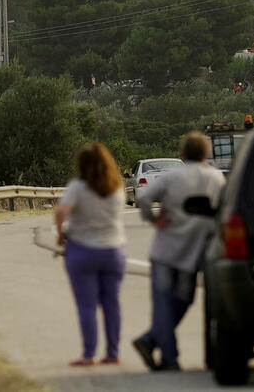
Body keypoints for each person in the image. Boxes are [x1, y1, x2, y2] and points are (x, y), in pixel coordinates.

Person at [133, 132, 226, 371]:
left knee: (164, 303)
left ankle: (157, 347)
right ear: (206, 153)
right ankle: (164, 354)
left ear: (182, 154)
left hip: (164, 251)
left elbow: (143, 196)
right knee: (184, 300)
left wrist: (152, 219)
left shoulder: (173, 177)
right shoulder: (217, 179)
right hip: (193, 253)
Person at [54, 143, 127, 367]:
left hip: (83, 250)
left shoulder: (78, 187)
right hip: (113, 250)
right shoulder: (117, 187)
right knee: (112, 303)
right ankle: (113, 353)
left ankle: (89, 355)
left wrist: (61, 233)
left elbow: (61, 211)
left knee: (87, 306)